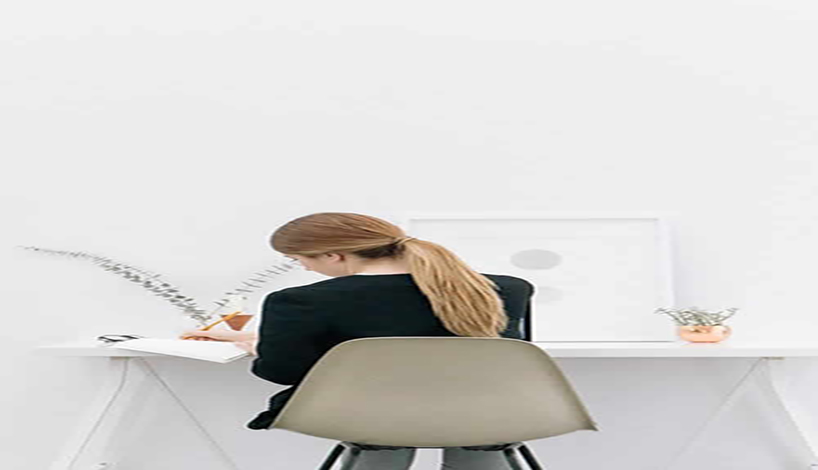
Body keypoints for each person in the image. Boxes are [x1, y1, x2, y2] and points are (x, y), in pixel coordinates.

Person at [182, 212, 535, 470]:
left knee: (382, 418)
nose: (304, 268)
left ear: (334, 255)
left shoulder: (299, 301)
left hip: (367, 416)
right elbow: (503, 357)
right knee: (475, 426)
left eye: (300, 260)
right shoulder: (506, 289)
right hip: (490, 413)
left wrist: (263, 346)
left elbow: (282, 372)